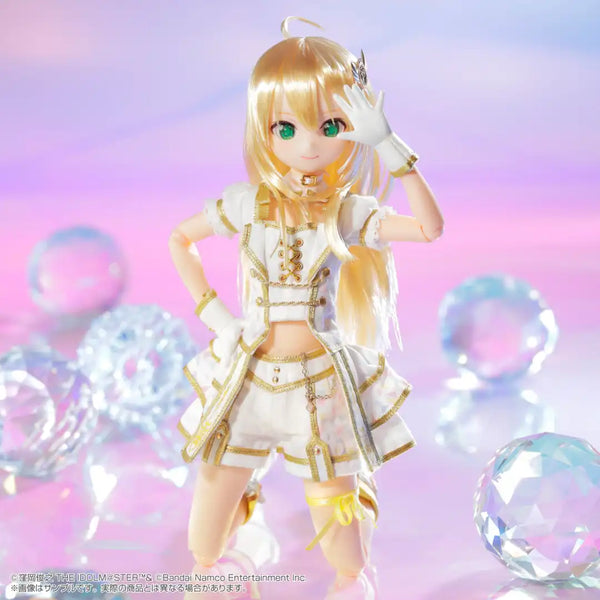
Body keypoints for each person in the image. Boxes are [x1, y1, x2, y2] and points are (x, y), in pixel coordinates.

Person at [168, 17, 444, 600]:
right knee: (203, 548)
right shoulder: (247, 205)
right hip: (248, 379)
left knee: (348, 559)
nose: (309, 144)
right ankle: (248, 505)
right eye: (286, 127)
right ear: (264, 129)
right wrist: (215, 316)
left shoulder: (346, 212)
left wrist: (388, 144)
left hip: (319, 391)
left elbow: (428, 227)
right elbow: (180, 239)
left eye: (331, 125)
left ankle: (352, 507)